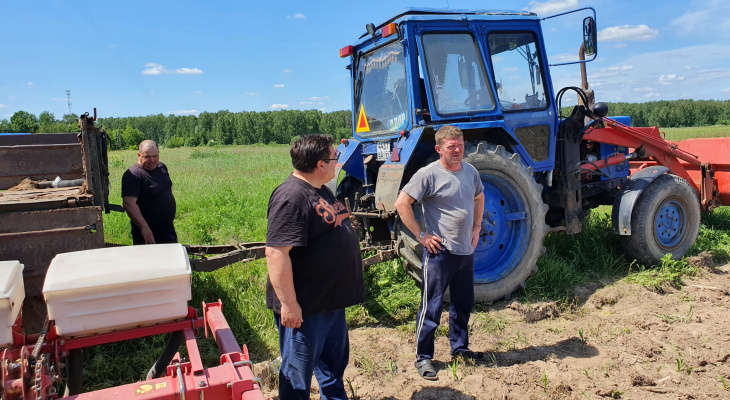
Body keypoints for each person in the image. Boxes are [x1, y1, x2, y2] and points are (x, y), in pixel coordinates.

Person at [265, 134, 365, 399]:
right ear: (321, 164)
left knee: (332, 369)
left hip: (329, 303)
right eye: (334, 157)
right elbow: (276, 254)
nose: (338, 162)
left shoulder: (320, 188)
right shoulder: (291, 197)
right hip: (305, 309)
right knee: (297, 377)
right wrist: (289, 305)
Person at [394, 125, 485, 381]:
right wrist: (422, 236)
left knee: (463, 305)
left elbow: (479, 197)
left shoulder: (471, 171)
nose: (457, 150)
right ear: (439, 149)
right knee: (431, 307)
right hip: (439, 252)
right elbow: (402, 203)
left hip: (465, 251)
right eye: (451, 147)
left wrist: (477, 226)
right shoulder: (428, 174)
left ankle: (460, 349)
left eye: (460, 145)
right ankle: (424, 358)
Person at [121, 140, 178, 245]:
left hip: (167, 228)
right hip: (149, 231)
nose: (152, 160)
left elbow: (167, 188)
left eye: (155, 156)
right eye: (147, 157)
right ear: (139, 155)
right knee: (151, 260)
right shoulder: (133, 175)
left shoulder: (161, 167)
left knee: (170, 258)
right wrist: (144, 228)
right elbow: (129, 203)